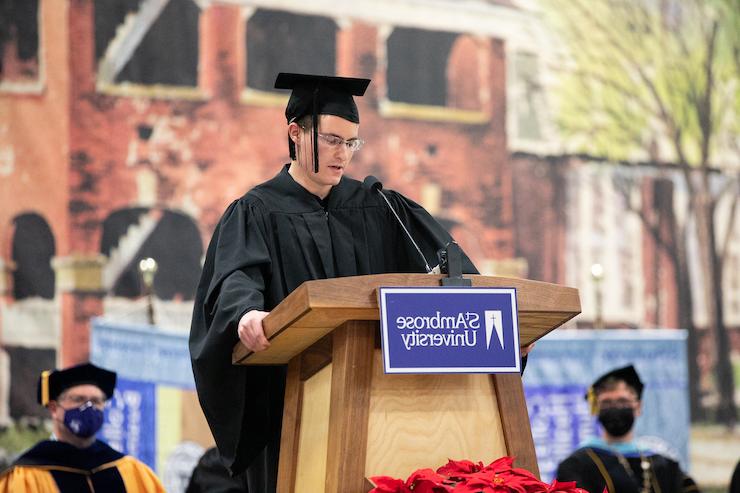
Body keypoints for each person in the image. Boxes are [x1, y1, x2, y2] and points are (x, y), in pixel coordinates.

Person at [189, 72, 480, 491]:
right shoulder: (256, 211)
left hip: (379, 403)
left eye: (351, 143)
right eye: (331, 140)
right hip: (292, 407)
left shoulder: (380, 205)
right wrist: (246, 314)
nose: (343, 155)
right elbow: (235, 277)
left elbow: (454, 270)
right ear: (295, 132)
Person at [0, 362, 165, 492]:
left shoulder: (133, 472)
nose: (88, 407)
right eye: (78, 399)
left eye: (96, 401)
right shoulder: (26, 477)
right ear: (54, 408)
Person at [556, 365, 700, 493]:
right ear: (596, 409)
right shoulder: (578, 465)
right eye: (606, 402)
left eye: (622, 401)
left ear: (638, 407)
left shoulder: (665, 465)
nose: (615, 408)